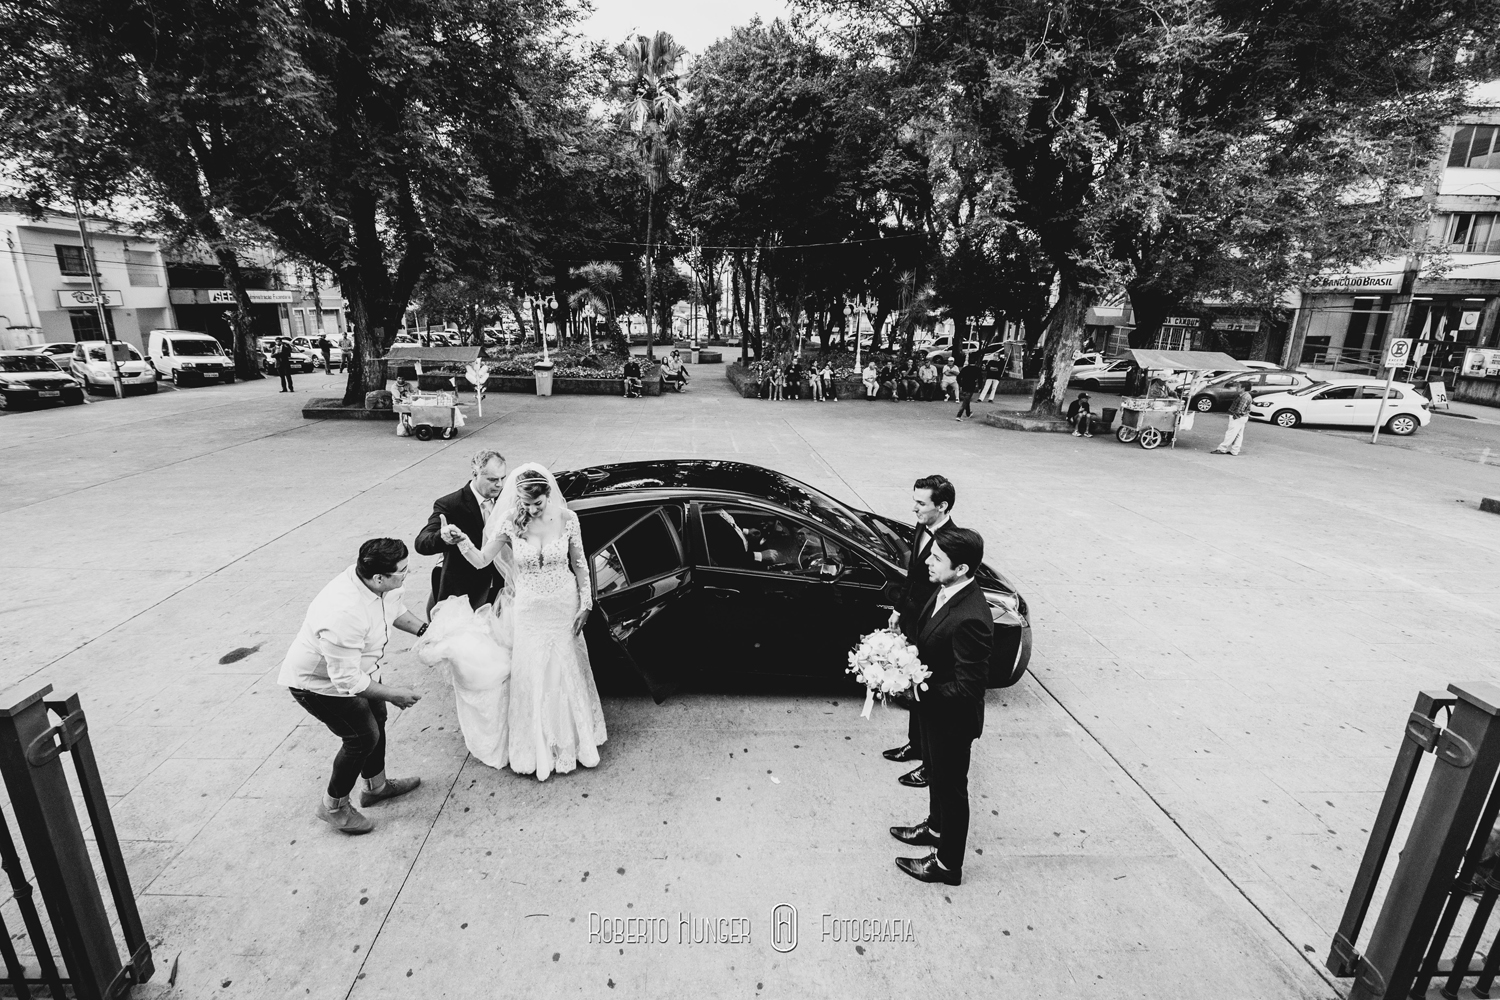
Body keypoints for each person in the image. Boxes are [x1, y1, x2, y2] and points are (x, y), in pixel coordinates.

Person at [450, 464, 605, 780]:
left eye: (538, 503)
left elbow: (579, 564)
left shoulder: (567, 519)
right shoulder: (510, 521)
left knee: (565, 669)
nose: (532, 509)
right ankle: (534, 749)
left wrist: (586, 603)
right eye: (526, 504)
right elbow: (481, 560)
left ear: (549, 495)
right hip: (529, 608)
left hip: (564, 604)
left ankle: (572, 745)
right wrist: (462, 540)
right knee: (532, 671)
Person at [278, 538, 426, 835]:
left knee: (378, 720)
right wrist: (393, 694)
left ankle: (376, 786)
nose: (407, 576)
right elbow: (346, 680)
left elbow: (395, 610)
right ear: (378, 577)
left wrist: (427, 632)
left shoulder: (380, 583)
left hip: (361, 668)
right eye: (403, 572)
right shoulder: (343, 612)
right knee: (361, 737)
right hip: (320, 684)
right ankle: (333, 806)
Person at [890, 525, 993, 886]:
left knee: (951, 789)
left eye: (937, 558)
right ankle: (935, 829)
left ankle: (948, 866)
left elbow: (969, 687)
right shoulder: (946, 588)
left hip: (952, 720)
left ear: (962, 568)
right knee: (935, 775)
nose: (928, 563)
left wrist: (915, 692)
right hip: (934, 713)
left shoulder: (972, 619)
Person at [885, 474, 958, 789]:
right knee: (914, 686)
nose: (913, 509)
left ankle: (931, 765)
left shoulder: (955, 542)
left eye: (920, 503)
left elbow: (952, 590)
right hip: (915, 620)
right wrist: (899, 611)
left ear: (941, 506)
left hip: (936, 628)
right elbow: (913, 575)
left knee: (930, 695)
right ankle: (916, 745)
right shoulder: (921, 527)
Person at [413, 450, 507, 616]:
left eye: (502, 478)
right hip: (466, 591)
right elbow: (422, 543)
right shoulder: (450, 504)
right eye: (493, 479)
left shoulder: (507, 500)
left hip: (503, 588)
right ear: (475, 474)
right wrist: (443, 536)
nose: (499, 484)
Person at [1212, 381, 1255, 456]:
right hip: (1242, 417)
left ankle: (1222, 448)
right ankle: (1235, 450)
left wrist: (1234, 415)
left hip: (1238, 417)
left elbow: (1240, 410)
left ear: (1243, 388)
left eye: (1239, 386)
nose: (1237, 388)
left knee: (1230, 433)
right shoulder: (1245, 395)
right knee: (1238, 434)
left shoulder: (1244, 397)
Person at [955, 355, 982, 420]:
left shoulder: (965, 368)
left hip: (964, 386)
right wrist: (980, 387)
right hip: (971, 387)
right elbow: (980, 379)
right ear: (975, 362)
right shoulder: (977, 369)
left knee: (967, 400)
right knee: (965, 401)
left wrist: (960, 384)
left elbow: (958, 377)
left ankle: (968, 413)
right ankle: (959, 415)